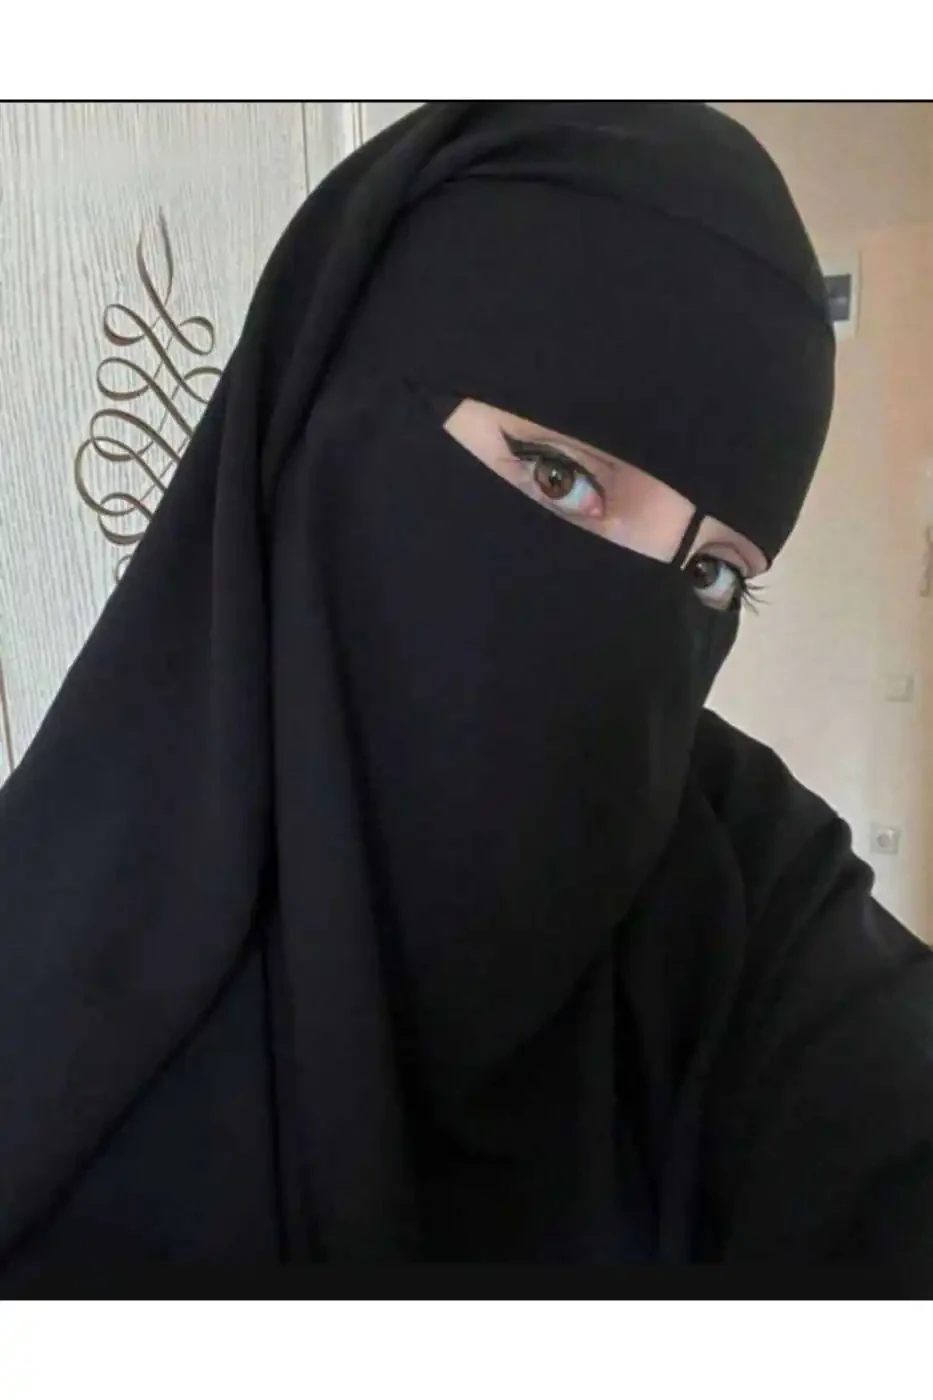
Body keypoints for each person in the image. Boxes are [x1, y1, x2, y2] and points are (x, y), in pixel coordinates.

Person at [0, 100, 931, 1277]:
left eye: (710, 573)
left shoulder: (745, 893)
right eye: (558, 475)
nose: (623, 635)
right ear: (331, 416)